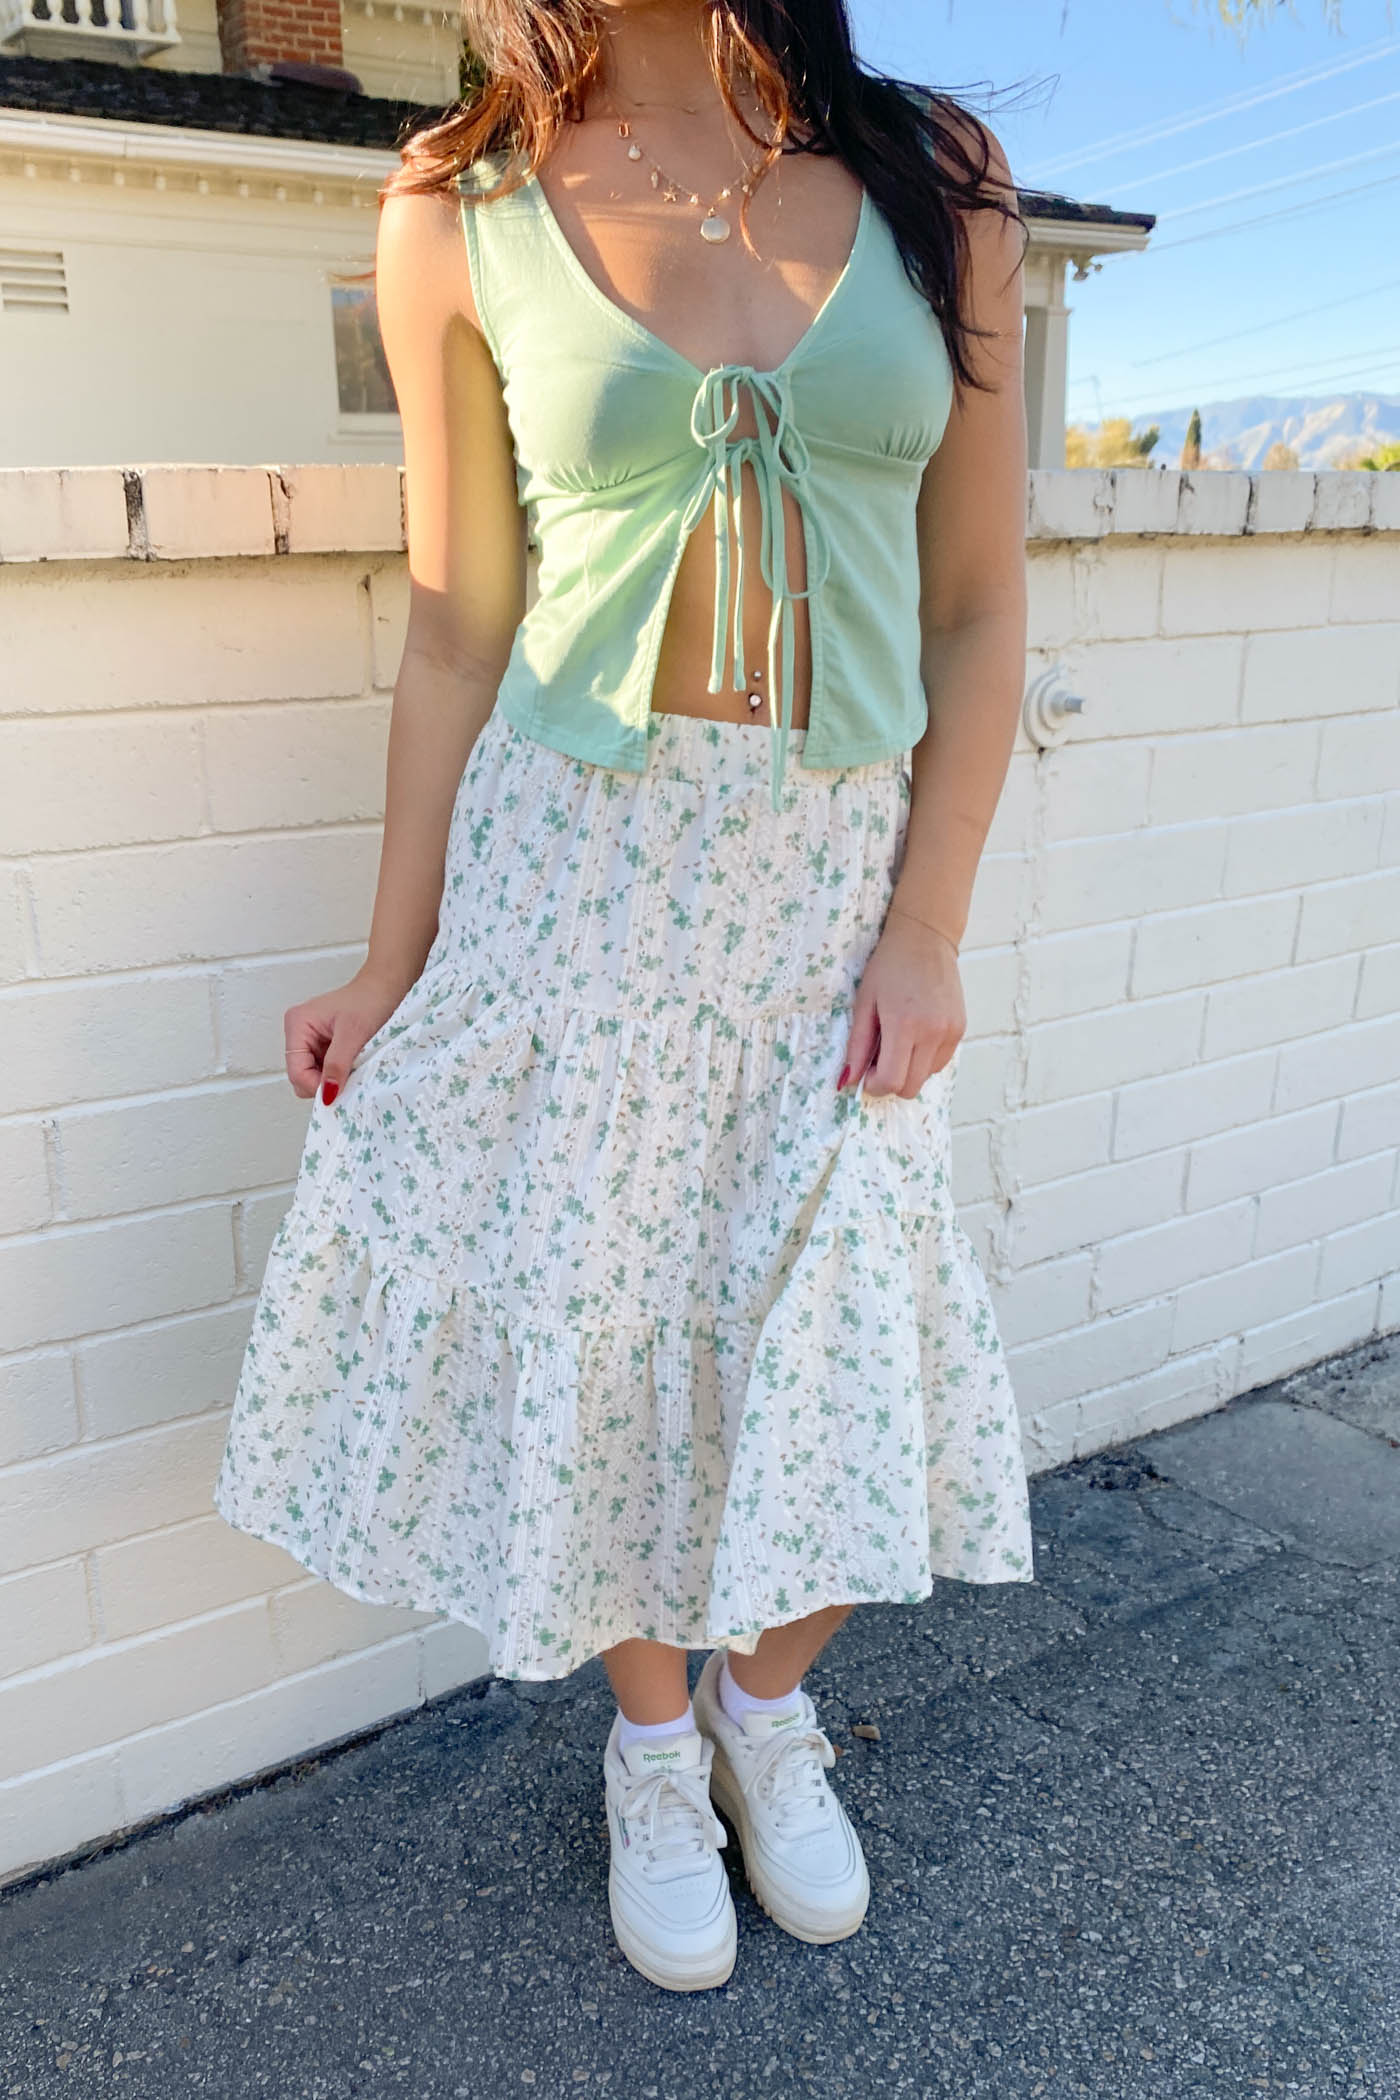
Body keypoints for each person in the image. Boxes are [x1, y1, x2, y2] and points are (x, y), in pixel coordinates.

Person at [213, 0, 1036, 1994]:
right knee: (602, 1315)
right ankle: (655, 1747)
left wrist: (925, 926)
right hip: (570, 868)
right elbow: (454, 621)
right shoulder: (455, 200)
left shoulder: (937, 179)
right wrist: (391, 961)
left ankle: (768, 1706)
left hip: (826, 885)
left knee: (841, 1325)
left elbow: (980, 595)